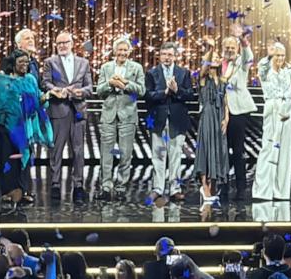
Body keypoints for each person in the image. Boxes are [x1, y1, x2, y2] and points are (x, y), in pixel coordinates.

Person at [0, 50, 53, 207]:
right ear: (13, 64)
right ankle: (7, 192)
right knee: (6, 158)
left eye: (27, 62)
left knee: (24, 158)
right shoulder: (1, 80)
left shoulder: (30, 79)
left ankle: (22, 191)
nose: (25, 65)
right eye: (21, 62)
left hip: (25, 127)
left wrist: (45, 98)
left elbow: (38, 99)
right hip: (5, 126)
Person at [252, 42, 291, 201]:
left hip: (287, 109)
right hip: (273, 109)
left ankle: (280, 191)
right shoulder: (266, 71)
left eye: (282, 55)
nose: (280, 58)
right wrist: (269, 55)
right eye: (277, 55)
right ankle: (263, 190)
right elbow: (262, 66)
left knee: (284, 149)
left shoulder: (286, 72)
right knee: (269, 147)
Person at [41, 31, 92, 203]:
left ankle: (78, 186)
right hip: (58, 109)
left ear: (72, 43)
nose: (62, 45)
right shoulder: (50, 62)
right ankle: (55, 184)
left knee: (78, 151)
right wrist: (54, 90)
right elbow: (45, 82)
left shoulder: (83, 63)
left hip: (78, 110)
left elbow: (89, 87)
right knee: (56, 150)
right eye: (59, 43)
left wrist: (80, 92)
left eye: (65, 42)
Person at [94, 36, 145, 201]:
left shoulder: (136, 68)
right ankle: (106, 187)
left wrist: (125, 83)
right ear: (114, 51)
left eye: (125, 50)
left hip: (128, 115)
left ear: (129, 51)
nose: (122, 53)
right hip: (109, 115)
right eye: (120, 49)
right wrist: (110, 84)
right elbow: (99, 91)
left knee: (125, 154)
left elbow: (141, 90)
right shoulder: (106, 67)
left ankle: (121, 187)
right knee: (106, 153)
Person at [145, 42, 195, 203]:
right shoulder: (152, 73)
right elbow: (147, 95)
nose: (167, 57)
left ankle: (175, 189)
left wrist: (176, 91)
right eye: (164, 54)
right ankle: (158, 188)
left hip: (177, 120)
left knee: (175, 156)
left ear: (175, 56)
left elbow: (190, 95)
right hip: (158, 119)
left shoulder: (183, 73)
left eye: (170, 55)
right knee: (158, 156)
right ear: (159, 55)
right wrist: (164, 92)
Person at [219, 26, 256, 200]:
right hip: (222, 112)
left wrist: (242, 39)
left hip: (239, 112)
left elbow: (249, 56)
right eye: (227, 48)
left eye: (233, 48)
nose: (230, 50)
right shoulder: (218, 64)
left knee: (238, 150)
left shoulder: (242, 62)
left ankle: (241, 187)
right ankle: (223, 185)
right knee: (223, 150)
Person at [194, 39, 229, 204]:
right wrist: (211, 48)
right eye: (212, 57)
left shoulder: (222, 81)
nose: (215, 58)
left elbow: (225, 101)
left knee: (218, 149)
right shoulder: (202, 79)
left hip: (219, 116)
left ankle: (213, 184)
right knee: (207, 149)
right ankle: (204, 185)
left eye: (217, 56)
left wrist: (226, 117)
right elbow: (203, 67)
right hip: (208, 115)